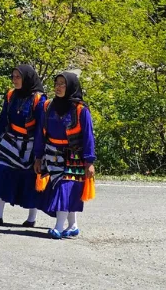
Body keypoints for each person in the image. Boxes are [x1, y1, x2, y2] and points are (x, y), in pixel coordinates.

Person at [34, 72, 96, 239]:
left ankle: (59, 227)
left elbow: (88, 136)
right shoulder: (47, 106)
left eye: (63, 84)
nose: (58, 87)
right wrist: (38, 156)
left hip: (73, 157)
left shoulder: (81, 110)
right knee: (66, 191)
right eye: (57, 83)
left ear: (71, 87)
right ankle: (73, 225)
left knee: (65, 189)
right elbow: (40, 133)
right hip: (51, 155)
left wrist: (89, 161)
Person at [0, 65, 46, 226]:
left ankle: (31, 218)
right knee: (0, 170)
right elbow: (3, 118)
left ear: (27, 78)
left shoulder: (39, 99)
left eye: (18, 77)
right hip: (10, 140)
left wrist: (39, 152)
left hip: (31, 143)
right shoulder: (11, 95)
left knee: (32, 178)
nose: (14, 80)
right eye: (13, 76)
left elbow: (40, 128)